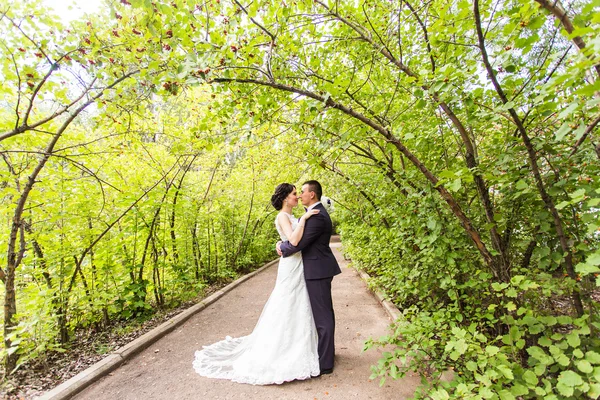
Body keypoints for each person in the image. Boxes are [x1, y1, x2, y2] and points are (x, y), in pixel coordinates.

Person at [193, 183, 320, 385]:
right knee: (286, 303)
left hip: (299, 264)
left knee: (299, 304)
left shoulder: (291, 216)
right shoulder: (282, 216)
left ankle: (302, 348)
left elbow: (295, 241)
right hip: (291, 265)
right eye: (295, 194)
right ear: (286, 198)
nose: (297, 197)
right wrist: (304, 219)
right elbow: (294, 241)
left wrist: (285, 239)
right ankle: (281, 350)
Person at [277, 180, 341, 375]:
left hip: (318, 271)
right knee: (322, 315)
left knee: (323, 318)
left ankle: (326, 363)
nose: (299, 196)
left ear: (311, 194)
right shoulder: (313, 214)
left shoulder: (317, 216)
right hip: (315, 269)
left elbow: (298, 243)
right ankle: (325, 354)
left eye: (302, 192)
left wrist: (281, 247)